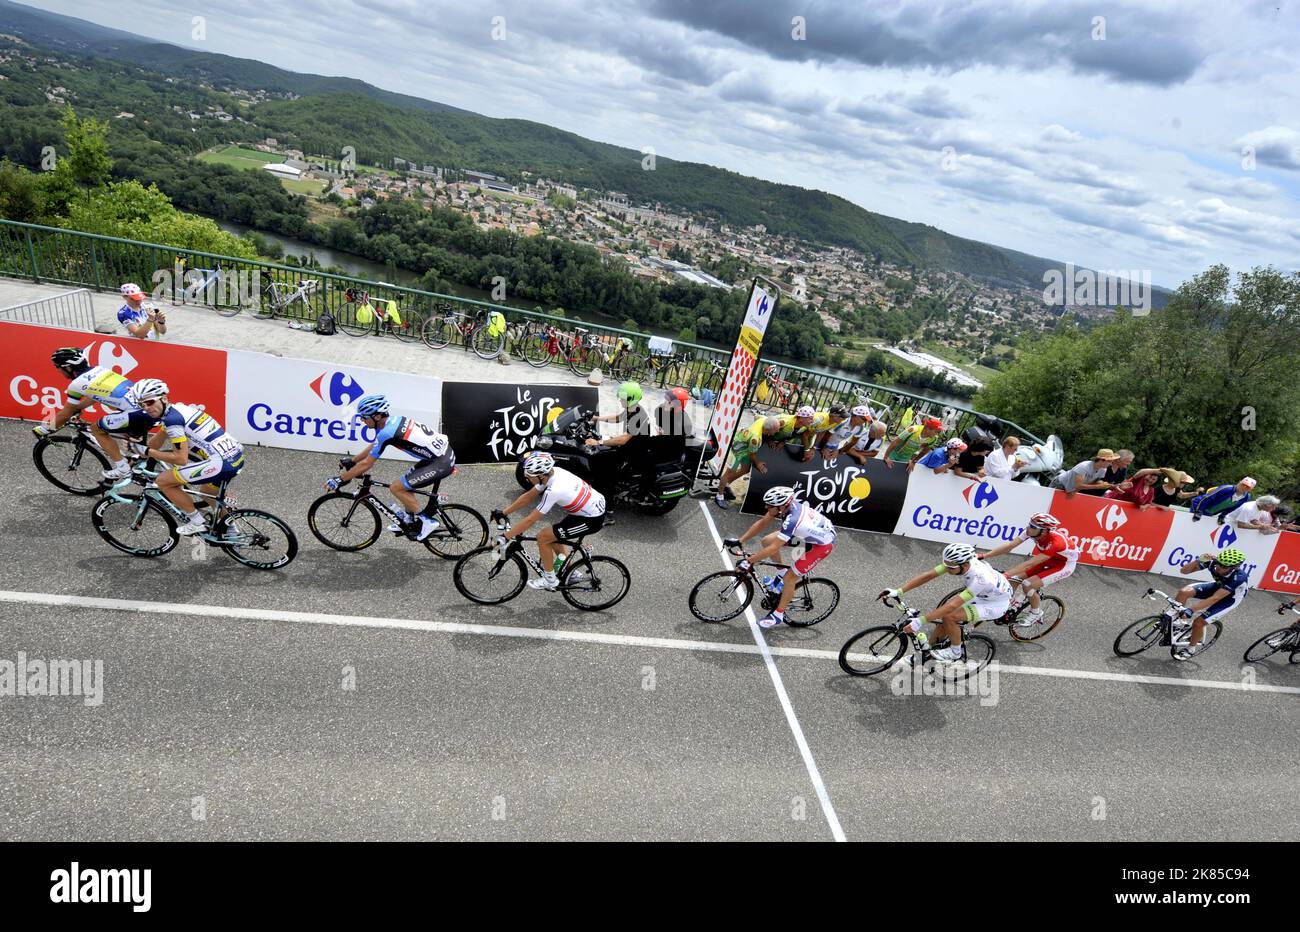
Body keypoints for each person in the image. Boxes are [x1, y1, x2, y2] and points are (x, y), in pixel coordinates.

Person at [325, 394, 454, 542]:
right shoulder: (393, 422)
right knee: (405, 483)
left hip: (439, 462)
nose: (362, 420)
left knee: (396, 487)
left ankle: (427, 521)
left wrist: (339, 479)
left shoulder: (387, 432)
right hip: (439, 456)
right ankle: (409, 520)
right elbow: (376, 445)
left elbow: (368, 464)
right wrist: (353, 461)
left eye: (364, 417)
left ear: (377, 416)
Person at [135, 380, 245, 536]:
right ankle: (232, 531)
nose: (146, 408)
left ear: (164, 399)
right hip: (235, 456)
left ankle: (196, 522)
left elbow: (180, 459)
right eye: (142, 405)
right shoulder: (178, 410)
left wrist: (147, 451)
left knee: (163, 481)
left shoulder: (172, 421)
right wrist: (140, 452)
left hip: (221, 463)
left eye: (149, 402)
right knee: (208, 492)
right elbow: (156, 442)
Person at [878, 542, 1013, 664]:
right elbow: (928, 575)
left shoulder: (980, 579)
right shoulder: (957, 562)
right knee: (943, 622)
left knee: (949, 616)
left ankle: (955, 652)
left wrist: (920, 621)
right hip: (985, 594)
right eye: (946, 565)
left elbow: (952, 606)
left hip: (994, 604)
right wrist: (899, 591)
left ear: (965, 565)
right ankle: (925, 655)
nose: (947, 569)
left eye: (951, 568)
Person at [33, 346, 155, 480]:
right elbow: (93, 395)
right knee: (132, 440)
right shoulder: (100, 369)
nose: (58, 370)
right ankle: (143, 464)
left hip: (137, 413)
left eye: (58, 367)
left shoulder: (76, 384)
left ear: (67, 367)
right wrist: (78, 408)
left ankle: (122, 468)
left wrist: (44, 429)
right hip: (151, 408)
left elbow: (65, 415)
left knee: (97, 429)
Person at [723, 485, 836, 629]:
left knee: (790, 577)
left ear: (782, 505)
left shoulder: (793, 520)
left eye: (770, 505)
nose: (766, 507)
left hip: (822, 545)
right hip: (809, 533)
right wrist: (740, 540)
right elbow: (763, 523)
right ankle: (781, 573)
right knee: (766, 541)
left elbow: (774, 548)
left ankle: (778, 614)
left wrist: (749, 561)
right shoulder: (784, 507)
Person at [497, 450, 607, 591]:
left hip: (591, 519)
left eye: (529, 475)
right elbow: (529, 496)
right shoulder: (554, 472)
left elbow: (531, 519)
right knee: (552, 535)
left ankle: (550, 580)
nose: (526, 478)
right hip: (586, 509)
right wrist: (504, 512)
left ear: (541, 475)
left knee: (543, 537)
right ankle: (571, 573)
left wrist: (506, 536)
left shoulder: (554, 490)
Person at [980, 512, 1080, 631]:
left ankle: (1036, 613)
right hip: (1049, 559)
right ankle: (1004, 606)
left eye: (1033, 526)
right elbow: (1010, 546)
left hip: (1063, 565)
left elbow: (1029, 564)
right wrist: (985, 555)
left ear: (1043, 531)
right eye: (1029, 524)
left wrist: (1005, 575)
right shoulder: (1031, 532)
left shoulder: (1057, 542)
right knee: (1014, 579)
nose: (1028, 528)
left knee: (1027, 584)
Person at [1171, 547, 1250, 660]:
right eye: (1218, 563)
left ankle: (1191, 649)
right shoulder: (1213, 562)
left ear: (1234, 567)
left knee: (1199, 622)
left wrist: (1191, 610)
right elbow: (1184, 571)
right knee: (1183, 592)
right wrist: (1198, 560)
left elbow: (1215, 598)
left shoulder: (1239, 577)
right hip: (1217, 587)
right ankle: (1179, 624)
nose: (1218, 567)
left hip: (1229, 599)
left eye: (1223, 566)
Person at [713, 415, 787, 509]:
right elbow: (752, 455)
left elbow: (756, 416)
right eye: (776, 430)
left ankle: (726, 484)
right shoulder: (755, 439)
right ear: (769, 430)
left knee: (745, 469)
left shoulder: (764, 419)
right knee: (729, 473)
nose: (778, 431)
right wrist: (758, 464)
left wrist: (769, 438)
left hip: (745, 445)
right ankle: (719, 496)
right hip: (738, 450)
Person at [586, 381, 651, 449]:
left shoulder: (638, 417)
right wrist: (597, 418)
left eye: (622, 399)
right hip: (630, 443)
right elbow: (618, 418)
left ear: (630, 400)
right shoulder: (632, 408)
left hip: (635, 452)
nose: (620, 400)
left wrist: (598, 442)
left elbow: (623, 440)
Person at [1050, 448, 1124, 496]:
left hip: (1070, 489)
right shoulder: (1084, 466)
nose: (1111, 464)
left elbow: (1096, 482)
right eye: (1109, 461)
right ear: (1102, 460)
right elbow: (1078, 485)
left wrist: (1113, 486)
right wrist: (1099, 486)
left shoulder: (1103, 469)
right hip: (1060, 484)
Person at [1189, 477, 1255, 523]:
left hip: (1210, 511)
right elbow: (1208, 498)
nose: (1244, 487)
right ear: (1239, 482)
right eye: (1243, 484)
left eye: (1247, 487)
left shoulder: (1246, 497)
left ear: (1251, 489)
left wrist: (1222, 516)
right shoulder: (1227, 489)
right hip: (1198, 505)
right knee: (1192, 523)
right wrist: (1199, 510)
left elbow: (1233, 508)